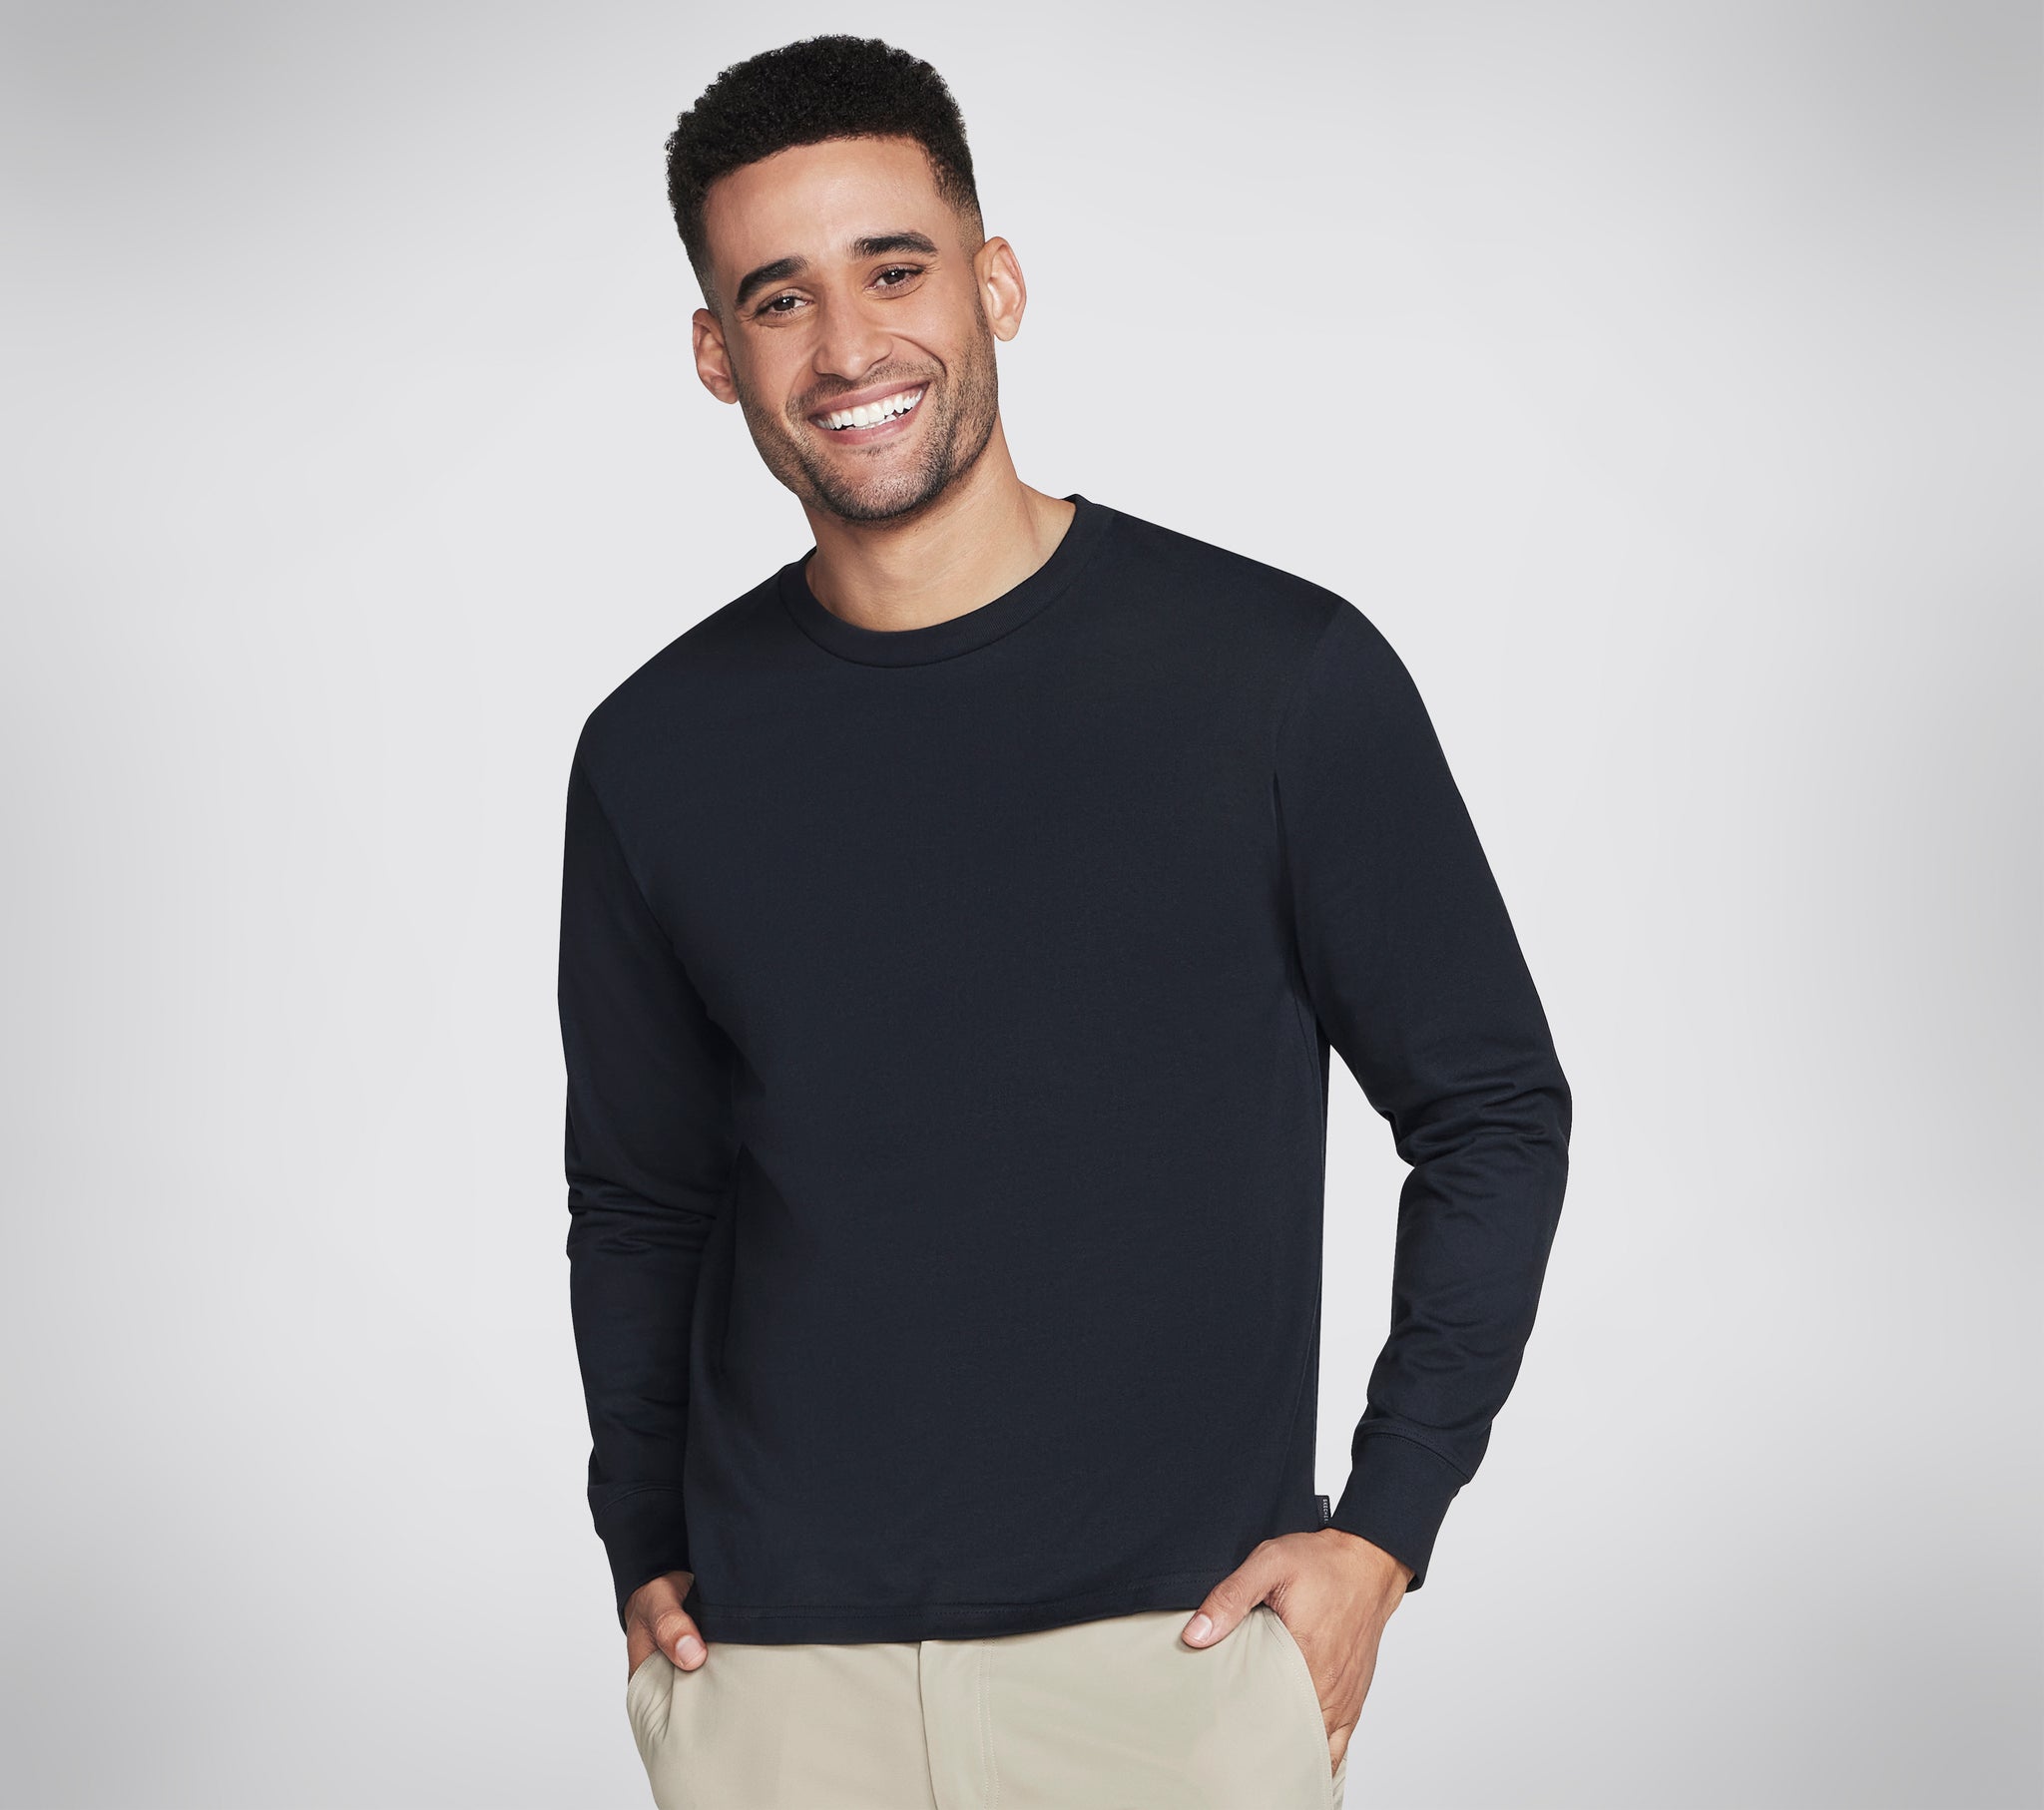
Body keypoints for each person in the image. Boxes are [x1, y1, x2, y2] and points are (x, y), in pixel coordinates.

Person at [556, 33, 1572, 1810]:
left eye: (895, 269)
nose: (848, 346)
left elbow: (1490, 1108)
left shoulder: (1277, 679)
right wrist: (643, 1540)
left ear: (996, 284)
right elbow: (643, 1197)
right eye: (780, 297)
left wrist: (1383, 1530)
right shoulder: (655, 750)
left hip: (1170, 1669)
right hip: (778, 1679)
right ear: (717, 354)